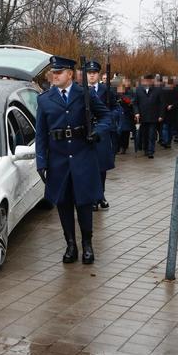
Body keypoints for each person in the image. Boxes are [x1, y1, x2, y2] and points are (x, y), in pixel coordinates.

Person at [35, 56, 112, 264]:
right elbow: (41, 134)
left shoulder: (84, 94)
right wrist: (41, 162)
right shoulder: (44, 99)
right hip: (58, 160)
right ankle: (71, 245)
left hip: (82, 156)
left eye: (59, 72)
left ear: (70, 74)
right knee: (63, 202)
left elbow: (107, 117)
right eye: (53, 72)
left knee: (84, 202)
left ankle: (87, 244)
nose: (55, 75)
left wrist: (97, 133)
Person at [85, 60, 117, 211]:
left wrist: (109, 117)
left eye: (94, 73)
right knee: (89, 166)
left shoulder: (107, 90)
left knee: (101, 167)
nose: (91, 75)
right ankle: (92, 196)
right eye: (89, 73)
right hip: (87, 131)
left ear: (98, 75)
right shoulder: (81, 90)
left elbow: (117, 109)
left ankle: (101, 195)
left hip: (102, 132)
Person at [133, 74, 164, 158]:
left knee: (152, 134)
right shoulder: (138, 90)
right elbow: (135, 103)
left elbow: (161, 104)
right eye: (145, 80)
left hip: (153, 116)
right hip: (142, 116)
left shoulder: (158, 90)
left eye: (148, 80)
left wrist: (161, 115)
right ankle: (146, 149)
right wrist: (136, 112)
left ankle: (151, 151)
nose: (146, 82)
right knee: (144, 134)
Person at [160, 77, 178, 148]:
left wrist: (171, 106)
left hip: (172, 112)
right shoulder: (163, 91)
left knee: (169, 128)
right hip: (166, 112)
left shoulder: (177, 91)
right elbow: (162, 100)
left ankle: (167, 141)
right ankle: (166, 141)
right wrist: (169, 106)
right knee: (166, 127)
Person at [116, 79, 135, 154]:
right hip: (118, 115)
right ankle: (118, 147)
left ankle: (123, 147)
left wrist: (123, 98)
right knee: (119, 132)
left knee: (125, 132)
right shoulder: (116, 94)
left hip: (126, 115)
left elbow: (130, 102)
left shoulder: (129, 93)